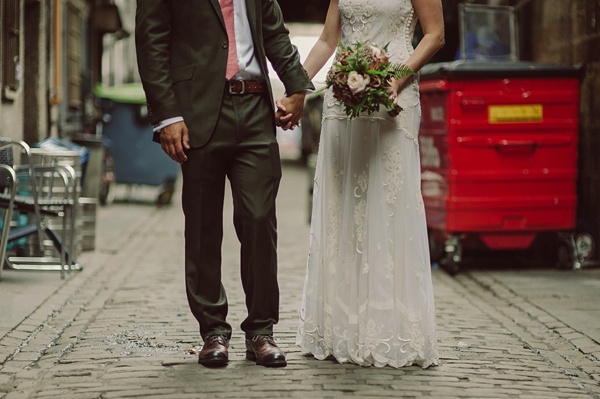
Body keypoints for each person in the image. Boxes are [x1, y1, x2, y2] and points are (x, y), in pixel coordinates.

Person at [135, 0, 314, 368]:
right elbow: (150, 43)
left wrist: (297, 86)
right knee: (202, 225)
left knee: (259, 218)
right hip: (196, 112)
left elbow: (275, 33)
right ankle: (213, 330)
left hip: (254, 109)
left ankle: (261, 330)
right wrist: (166, 115)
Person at [292, 0, 444, 368]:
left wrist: (397, 77)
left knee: (389, 207)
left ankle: (387, 329)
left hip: (395, 99)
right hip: (342, 104)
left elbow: (435, 35)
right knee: (343, 210)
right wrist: (295, 87)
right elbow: (329, 41)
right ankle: (340, 327)